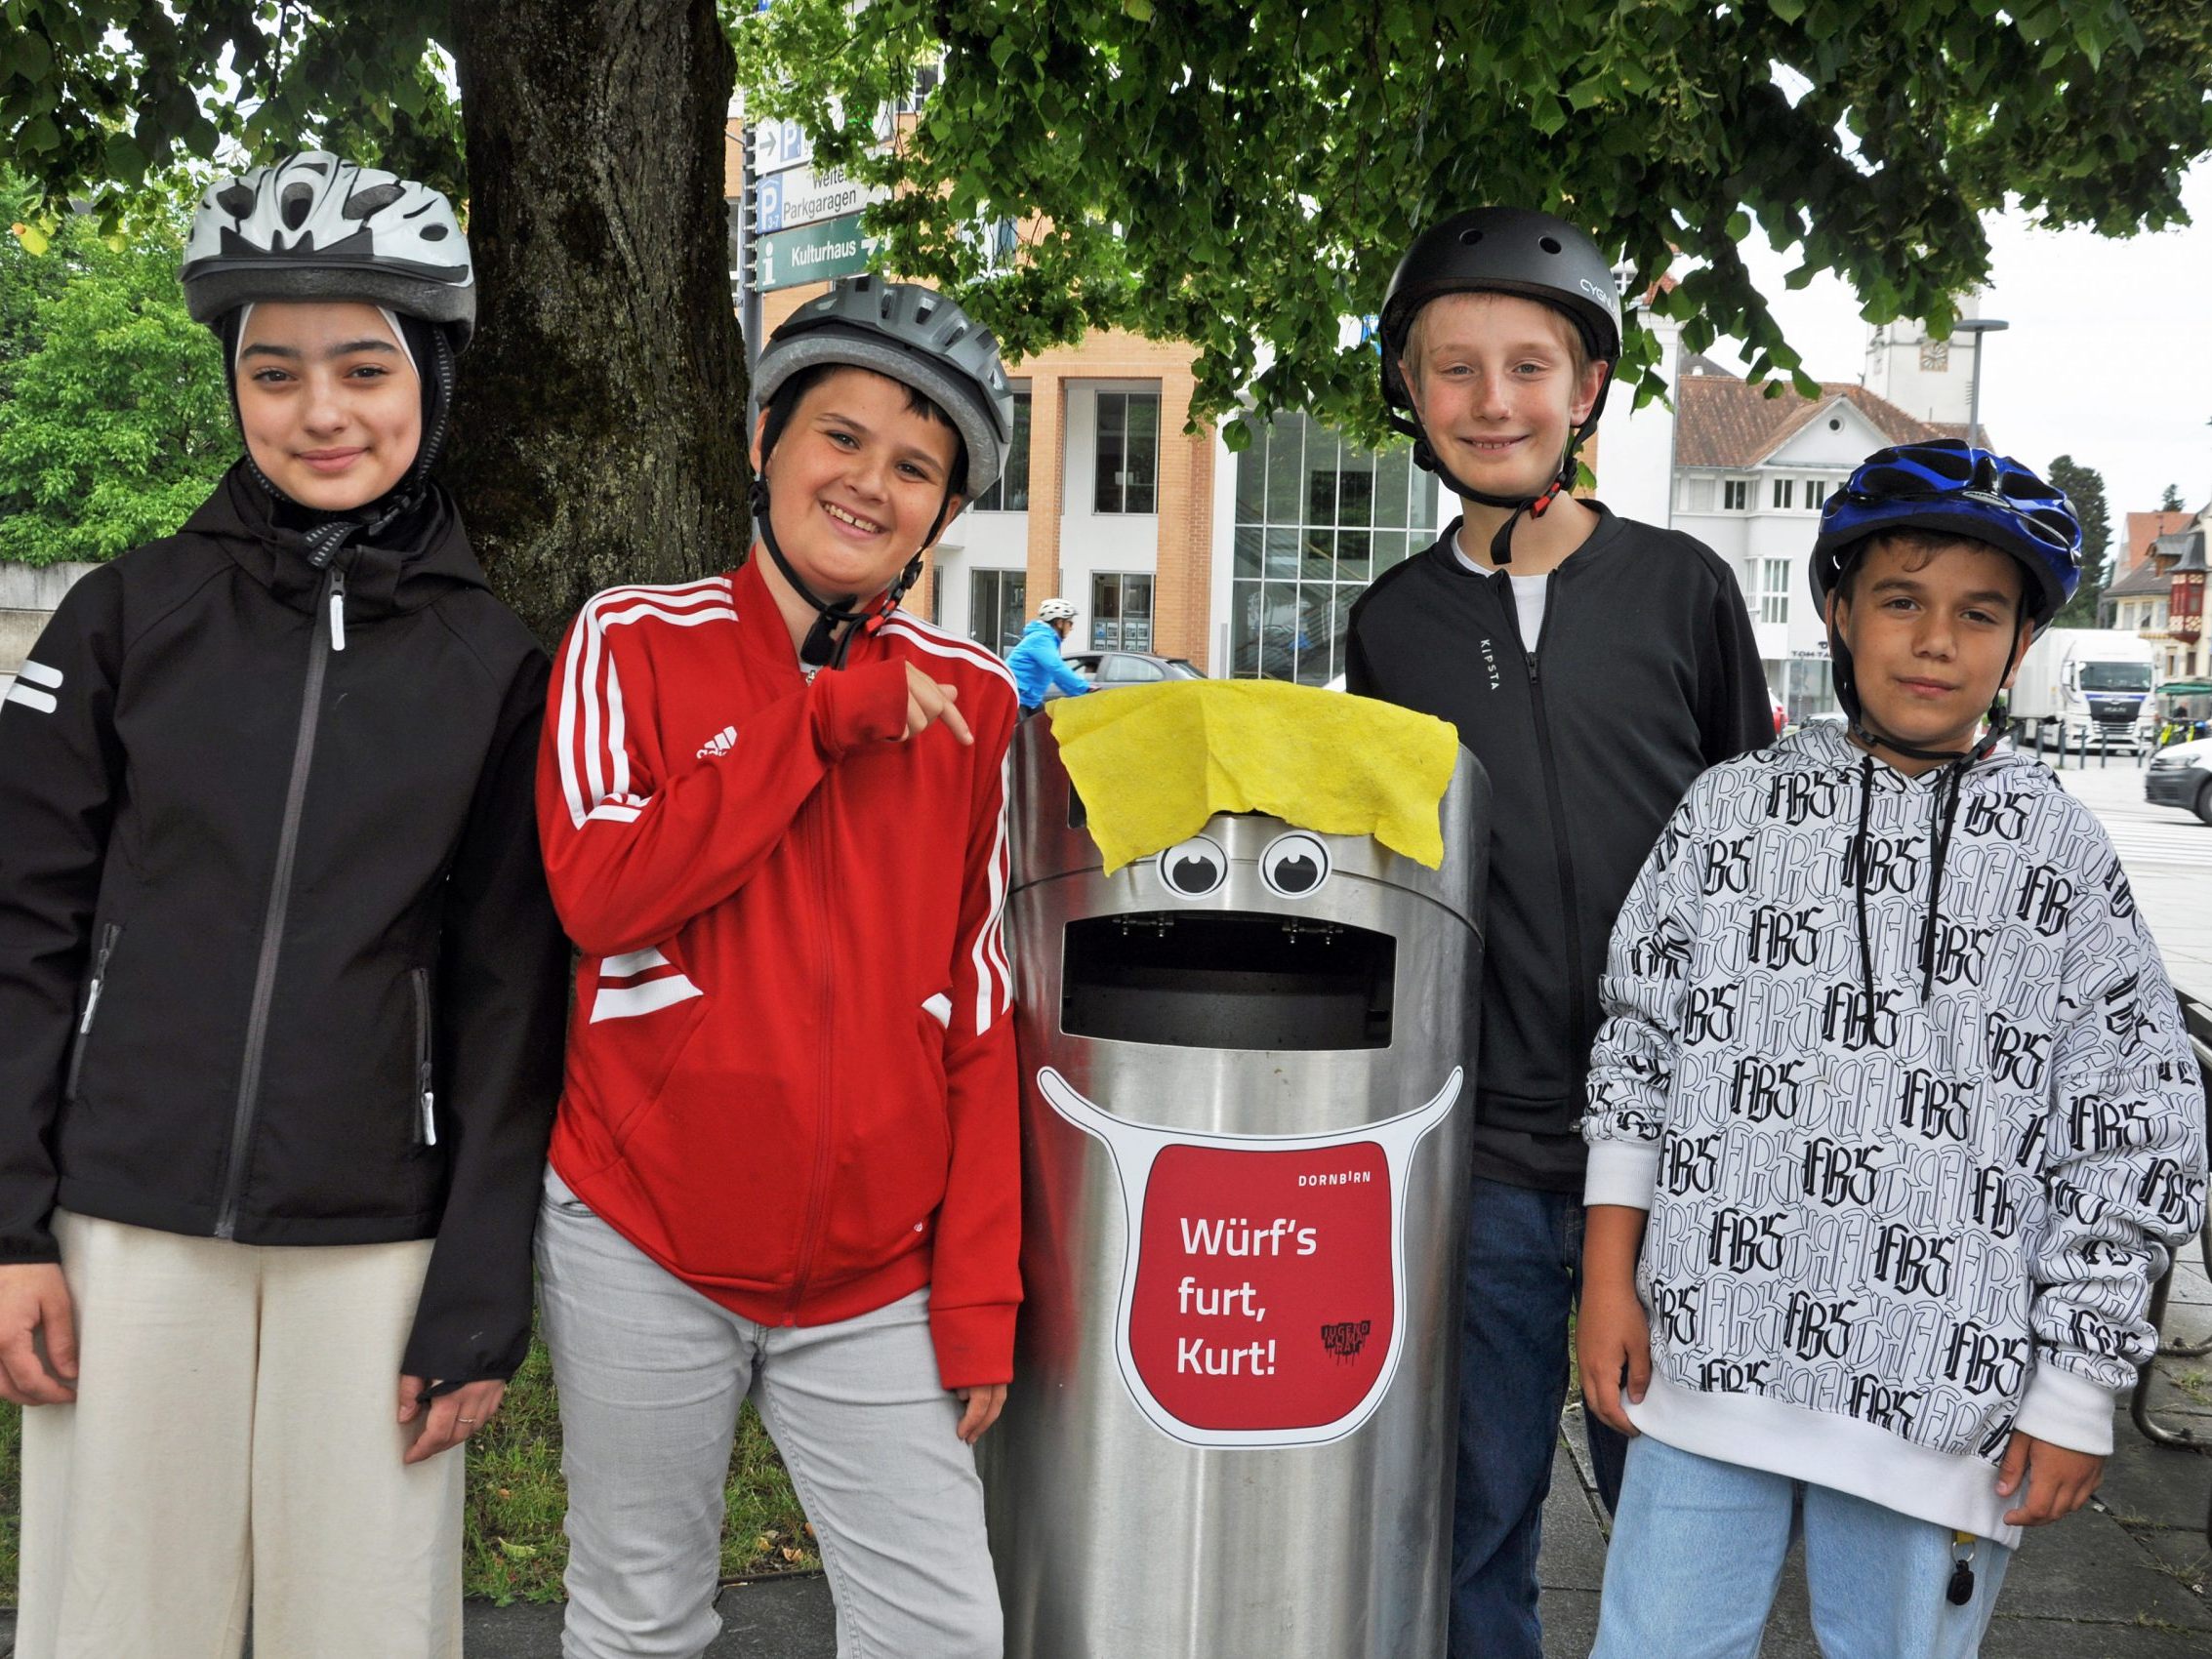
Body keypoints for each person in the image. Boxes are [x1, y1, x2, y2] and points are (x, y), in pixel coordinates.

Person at [0, 152, 567, 1658]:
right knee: (118, 1624)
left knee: (366, 1629)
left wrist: (478, 1282)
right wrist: (8, 1228)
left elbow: (513, 994)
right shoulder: (127, 614)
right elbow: (21, 928)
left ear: (431, 378)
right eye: (276, 372)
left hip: (378, 1237)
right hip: (125, 1221)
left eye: (363, 368)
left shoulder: (497, 666)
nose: (320, 412)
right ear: (236, 386)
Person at [1578, 440, 2207, 1658]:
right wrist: (1611, 1278)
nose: (1935, 640)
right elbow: (1638, 1052)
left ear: (2019, 640)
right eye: (1901, 601)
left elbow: (2132, 1124)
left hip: (1944, 1398)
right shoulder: (1729, 810)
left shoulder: (2058, 855)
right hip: (1713, 1360)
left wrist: (2077, 1385)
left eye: (1977, 613)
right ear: (1836, 611)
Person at [535, 274, 1021, 1659]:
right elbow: (601, 892)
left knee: (940, 1633)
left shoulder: (977, 706)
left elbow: (979, 1010)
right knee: (638, 1622)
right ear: (763, 445)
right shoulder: (628, 639)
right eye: (841, 436)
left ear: (941, 512)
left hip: (881, 1273)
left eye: (915, 465)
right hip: (643, 1235)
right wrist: (813, 724)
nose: (870, 482)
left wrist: (978, 1292)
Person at [1342, 206, 1774, 1659]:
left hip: (1688, 1155)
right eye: (1449, 368)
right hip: (1488, 1152)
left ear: (1585, 389)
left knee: (1681, 1528)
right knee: (1469, 1525)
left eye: (1526, 365)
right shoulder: (1388, 625)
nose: (1490, 400)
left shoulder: (1682, 591)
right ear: (1407, 392)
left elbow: (1751, 853)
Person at [1009, 595, 1090, 713]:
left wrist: (1079, 692)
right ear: (1059, 623)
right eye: (1070, 623)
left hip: (1029, 700)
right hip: (1016, 699)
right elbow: (1056, 667)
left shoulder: (1046, 639)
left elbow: (1056, 676)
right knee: (1024, 731)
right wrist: (1084, 688)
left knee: (1051, 724)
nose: (1071, 628)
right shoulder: (1040, 638)